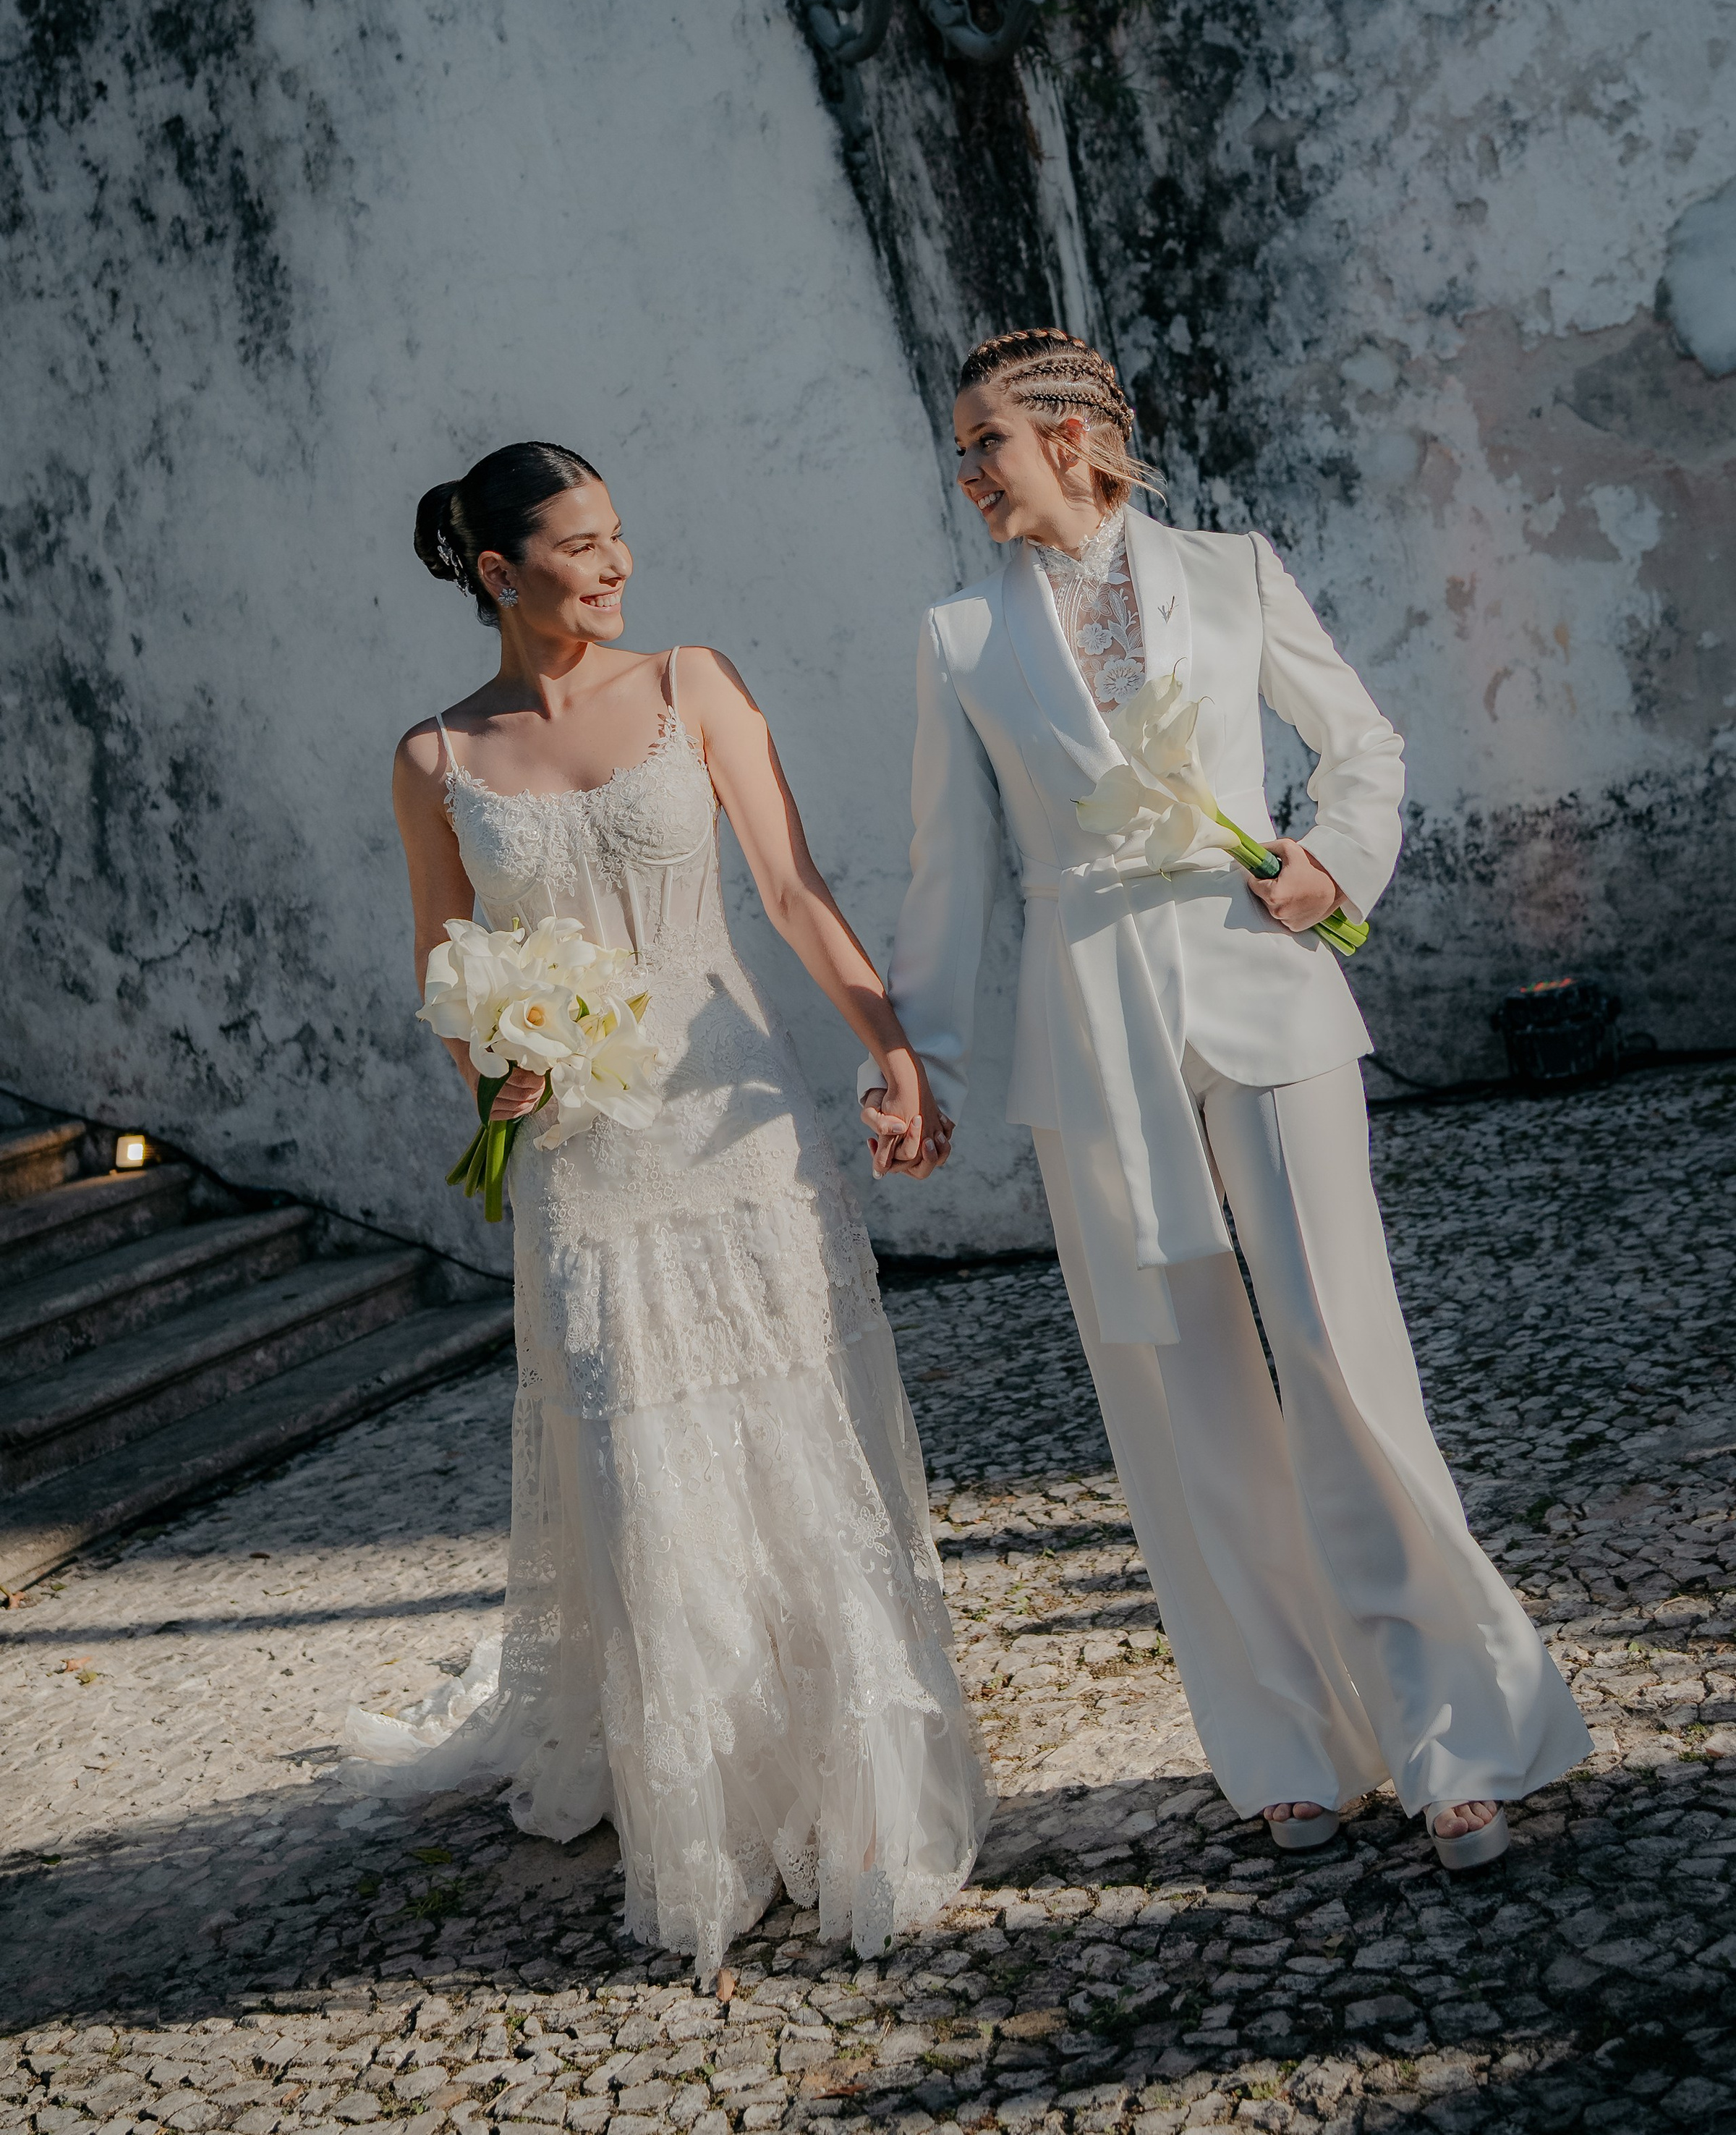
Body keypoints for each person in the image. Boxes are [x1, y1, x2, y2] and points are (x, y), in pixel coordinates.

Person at [861, 329, 1589, 1869]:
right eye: (958, 451)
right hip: (1088, 1035)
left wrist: (1334, 866)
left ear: (1073, 438)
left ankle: (1450, 1729)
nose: (966, 474)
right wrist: (912, 1059)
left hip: (1265, 993)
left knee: (1337, 1354)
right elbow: (947, 873)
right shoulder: (956, 641)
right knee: (1179, 1397)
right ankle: (1281, 1745)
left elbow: (1363, 743)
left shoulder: (1232, 569)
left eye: (984, 441)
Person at [347, 441, 988, 1976]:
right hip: (581, 1160)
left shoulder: (694, 685)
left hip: (735, 1126)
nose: (615, 564)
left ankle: (853, 1799)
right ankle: (703, 1815)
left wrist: (888, 1049)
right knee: (642, 1469)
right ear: (500, 574)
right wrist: (490, 1075)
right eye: (579, 545)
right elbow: (447, 967)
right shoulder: (433, 759)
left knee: (790, 1435)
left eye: (620, 534)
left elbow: (792, 889)